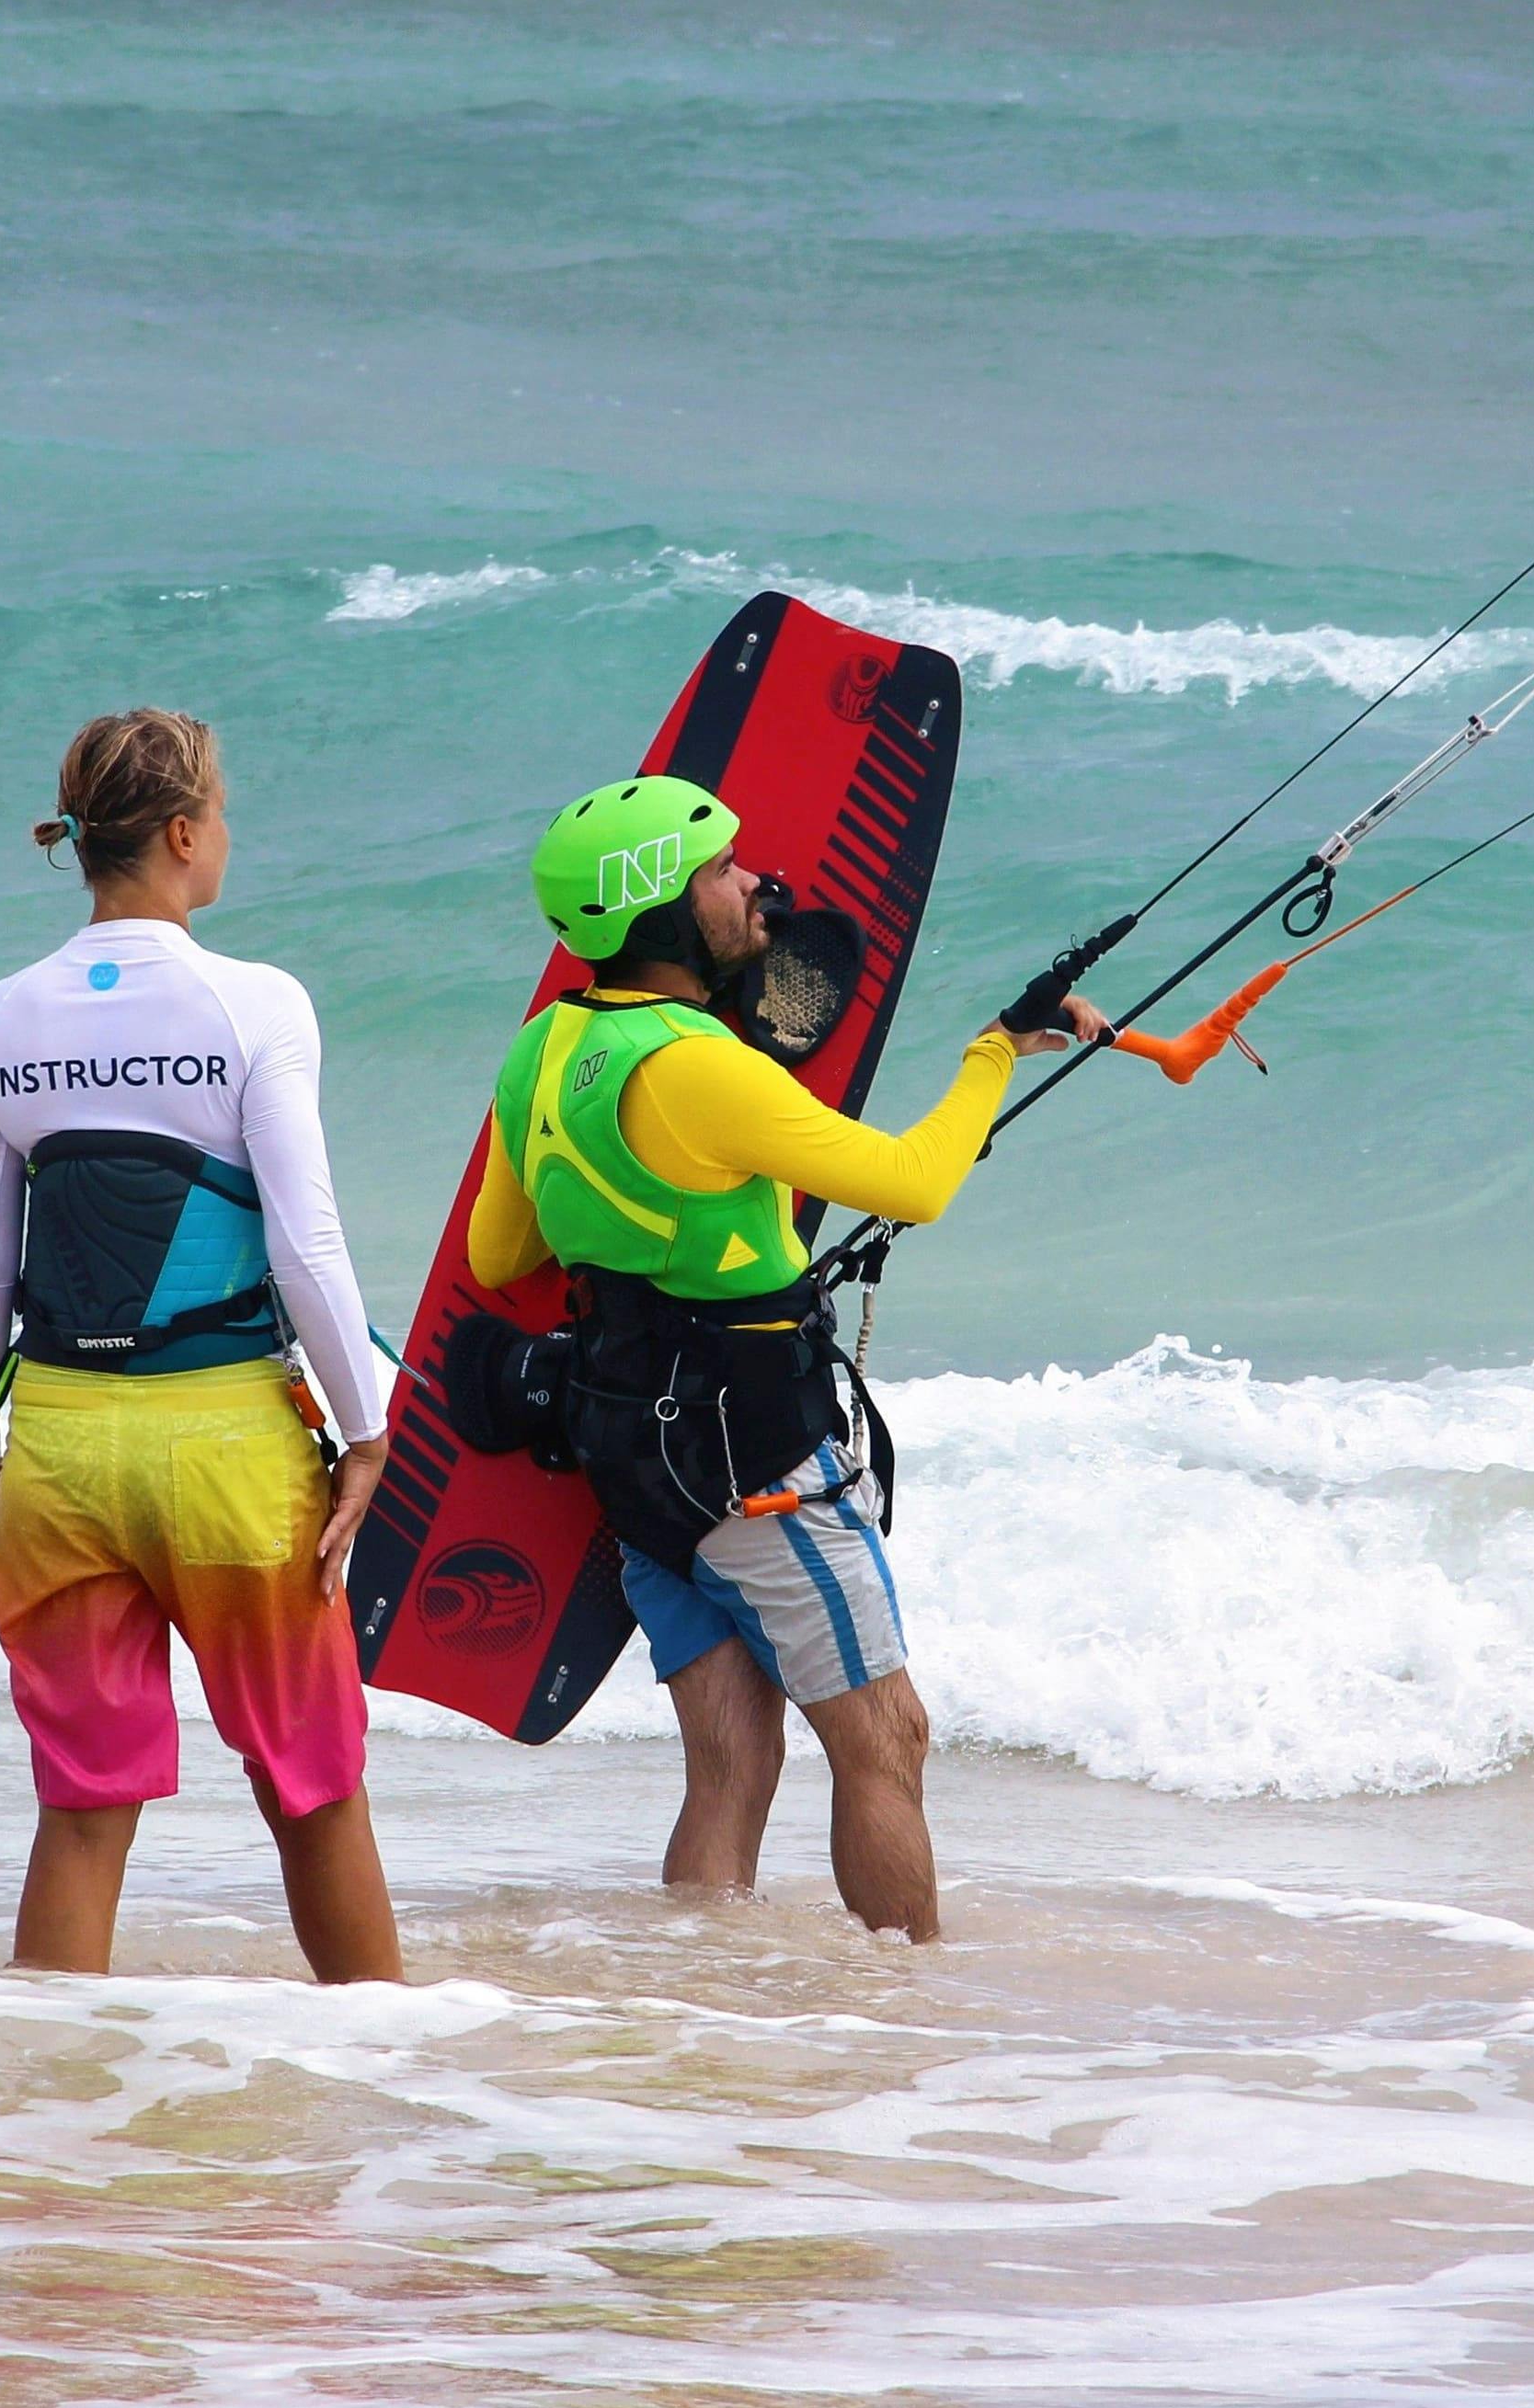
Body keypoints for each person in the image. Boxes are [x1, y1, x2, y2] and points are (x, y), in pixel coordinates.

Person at [464, 774, 1100, 1942]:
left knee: (730, 1760)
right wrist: (996, 1047)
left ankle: (713, 1999)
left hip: (633, 1465)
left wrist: (650, 1214)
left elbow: (499, 1250)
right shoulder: (696, 1065)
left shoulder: (542, 1050)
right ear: (653, 906)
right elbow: (913, 1183)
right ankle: (906, 2007)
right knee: (883, 1740)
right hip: (751, 1458)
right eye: (719, 870)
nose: (755, 882)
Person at [0, 709, 400, 1983]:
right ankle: (391, 2093)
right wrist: (366, 1429)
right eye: (225, 817)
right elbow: (307, 1246)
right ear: (186, 832)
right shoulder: (253, 1002)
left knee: (82, 1809)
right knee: (310, 1786)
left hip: (61, 1459)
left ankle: (49, 2115)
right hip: (229, 1459)